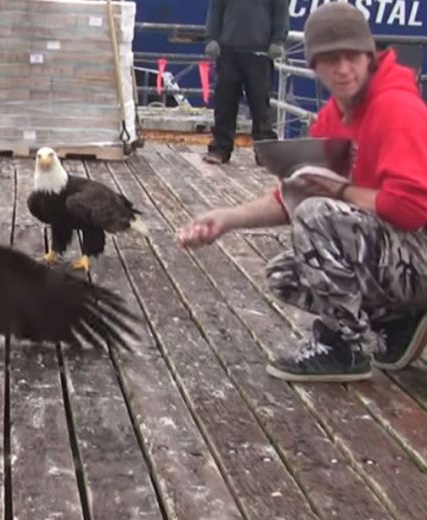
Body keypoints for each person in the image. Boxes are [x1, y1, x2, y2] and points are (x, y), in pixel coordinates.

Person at [177, 2, 427, 382]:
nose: (342, 70)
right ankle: (399, 319)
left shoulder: (397, 107)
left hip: (419, 250)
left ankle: (344, 347)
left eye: (352, 57)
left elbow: (411, 209)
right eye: (330, 60)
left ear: (369, 55)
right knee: (287, 274)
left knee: (316, 216)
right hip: (402, 257)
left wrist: (341, 190)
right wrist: (226, 220)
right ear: (314, 64)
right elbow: (293, 193)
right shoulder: (335, 115)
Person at [203, 0, 289, 165]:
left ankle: (265, 152)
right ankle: (220, 149)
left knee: (260, 105)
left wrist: (278, 41)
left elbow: (281, 13)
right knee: (224, 104)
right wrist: (211, 39)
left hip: (260, 54)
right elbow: (215, 11)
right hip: (228, 53)